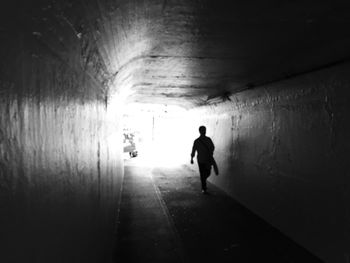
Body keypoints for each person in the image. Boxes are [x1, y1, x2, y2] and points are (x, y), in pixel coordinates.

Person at [191, 126, 216, 194]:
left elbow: (194, 150)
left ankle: (203, 181)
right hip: (205, 159)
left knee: (204, 173)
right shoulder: (208, 139)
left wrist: (192, 158)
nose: (204, 131)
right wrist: (210, 153)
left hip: (201, 160)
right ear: (203, 131)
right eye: (204, 130)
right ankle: (204, 188)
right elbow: (212, 147)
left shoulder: (197, 141)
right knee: (207, 172)